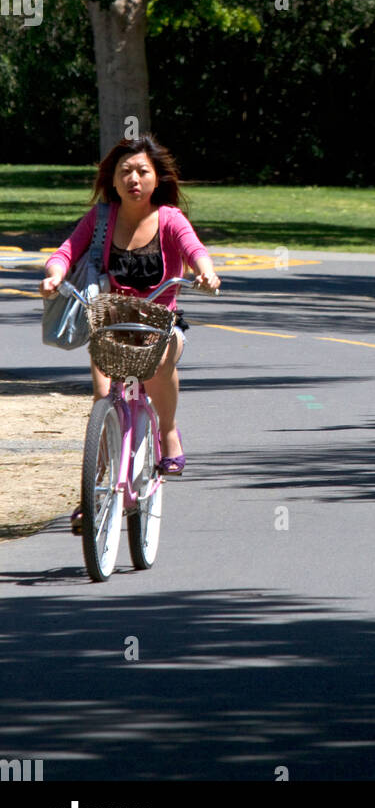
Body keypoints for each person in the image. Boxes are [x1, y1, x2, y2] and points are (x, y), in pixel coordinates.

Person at [40, 134, 220, 528]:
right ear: (113, 179)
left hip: (159, 324)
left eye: (142, 171)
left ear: (157, 178)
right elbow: (66, 252)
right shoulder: (101, 218)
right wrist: (54, 276)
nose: (133, 179)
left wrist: (206, 272)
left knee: (161, 360)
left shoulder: (170, 219)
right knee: (103, 400)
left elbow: (195, 250)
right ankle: (96, 492)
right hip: (111, 323)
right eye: (125, 172)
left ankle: (169, 433)